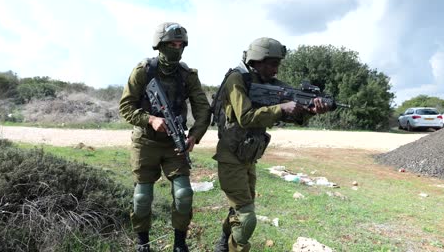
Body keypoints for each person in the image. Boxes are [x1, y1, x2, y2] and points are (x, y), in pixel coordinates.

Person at [213, 37, 330, 252]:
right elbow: (246, 117)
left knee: (240, 208)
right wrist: (282, 108)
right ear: (257, 60)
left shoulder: (270, 86)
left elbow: (291, 115)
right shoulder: (237, 79)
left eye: (278, 64)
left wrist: (308, 111)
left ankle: (223, 243)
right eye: (272, 63)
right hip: (230, 156)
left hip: (249, 156)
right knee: (246, 217)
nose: (276, 69)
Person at [119, 22, 211, 252]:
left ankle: (179, 244)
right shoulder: (143, 71)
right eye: (171, 43)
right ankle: (143, 243)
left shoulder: (187, 75)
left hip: (175, 143)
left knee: (184, 193)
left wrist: (194, 136)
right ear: (160, 45)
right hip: (146, 142)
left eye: (180, 44)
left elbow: (202, 109)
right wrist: (150, 119)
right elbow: (126, 107)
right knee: (142, 198)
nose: (176, 48)